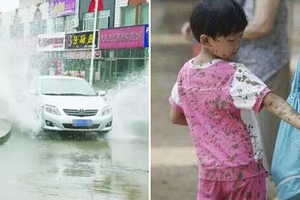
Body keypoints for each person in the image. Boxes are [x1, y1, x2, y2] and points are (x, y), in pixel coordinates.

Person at [169, 0, 300, 199]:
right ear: (205, 40)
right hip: (245, 175)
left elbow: (176, 116)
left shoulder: (184, 74)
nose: (238, 46)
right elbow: (273, 102)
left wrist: (209, 123)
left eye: (240, 37)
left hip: (209, 175)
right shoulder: (235, 74)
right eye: (231, 40)